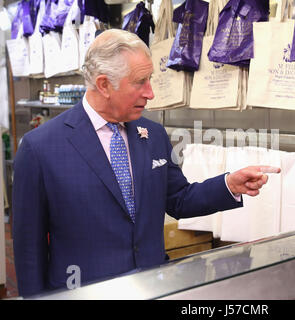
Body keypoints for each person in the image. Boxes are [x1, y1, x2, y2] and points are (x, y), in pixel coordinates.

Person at [12, 29, 280, 297]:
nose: (150, 93)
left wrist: (229, 184)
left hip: (153, 286)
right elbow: (28, 248)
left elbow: (178, 199)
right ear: (104, 84)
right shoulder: (41, 148)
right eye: (140, 82)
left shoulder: (152, 135)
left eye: (150, 79)